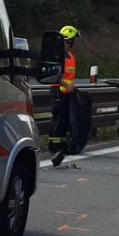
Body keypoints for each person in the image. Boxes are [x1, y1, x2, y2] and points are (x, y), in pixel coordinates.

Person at [49, 25, 80, 166]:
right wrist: (66, 85)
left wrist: (72, 86)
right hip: (57, 92)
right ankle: (54, 146)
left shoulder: (71, 57)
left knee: (66, 119)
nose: (72, 44)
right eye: (71, 41)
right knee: (58, 119)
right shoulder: (56, 55)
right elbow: (53, 74)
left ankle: (62, 148)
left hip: (68, 93)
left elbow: (70, 76)